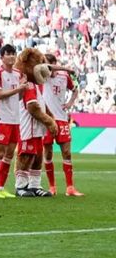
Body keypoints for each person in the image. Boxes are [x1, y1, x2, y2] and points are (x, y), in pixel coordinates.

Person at [14, 49, 58, 197]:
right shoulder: (27, 85)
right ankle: (20, 186)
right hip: (28, 128)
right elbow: (32, 108)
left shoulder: (36, 86)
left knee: (38, 156)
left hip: (37, 129)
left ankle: (35, 185)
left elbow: (43, 105)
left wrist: (50, 116)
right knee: (25, 155)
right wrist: (50, 122)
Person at [42, 54, 83, 196]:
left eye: (48, 63)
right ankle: (52, 187)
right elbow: (47, 68)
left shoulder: (64, 77)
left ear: (54, 63)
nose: (45, 66)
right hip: (47, 119)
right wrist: (68, 68)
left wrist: (70, 102)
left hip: (61, 118)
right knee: (47, 154)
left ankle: (70, 187)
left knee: (66, 153)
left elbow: (75, 89)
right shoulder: (43, 76)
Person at [0, 44, 25, 199]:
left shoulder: (17, 73)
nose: (11, 56)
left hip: (15, 118)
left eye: (13, 53)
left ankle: (0, 187)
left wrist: (22, 88)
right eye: (8, 54)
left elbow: (19, 97)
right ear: (2, 57)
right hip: (2, 118)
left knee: (9, 153)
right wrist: (18, 89)